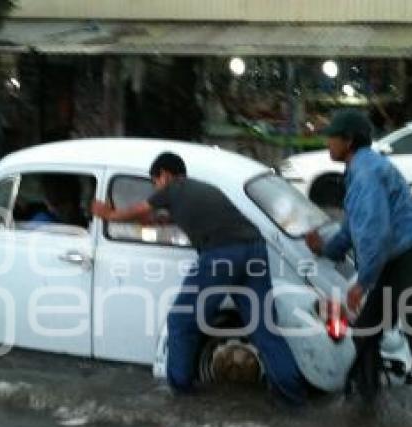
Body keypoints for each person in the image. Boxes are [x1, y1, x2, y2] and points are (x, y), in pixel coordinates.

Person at [91, 152, 307, 406]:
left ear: (166, 175)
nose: (156, 188)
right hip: (255, 250)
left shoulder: (172, 188)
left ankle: (179, 396)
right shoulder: (203, 190)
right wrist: (146, 219)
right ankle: (294, 400)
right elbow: (156, 218)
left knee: (181, 320)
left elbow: (141, 208)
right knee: (264, 329)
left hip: (222, 255)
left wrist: (110, 215)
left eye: (155, 182)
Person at [304, 109, 412, 414]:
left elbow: (374, 236)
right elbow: (353, 229)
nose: (328, 144)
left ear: (348, 141)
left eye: (332, 138)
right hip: (399, 260)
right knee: (366, 329)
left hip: (411, 258)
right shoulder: (359, 170)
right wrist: (325, 248)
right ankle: (366, 399)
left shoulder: (366, 174)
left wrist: (362, 283)